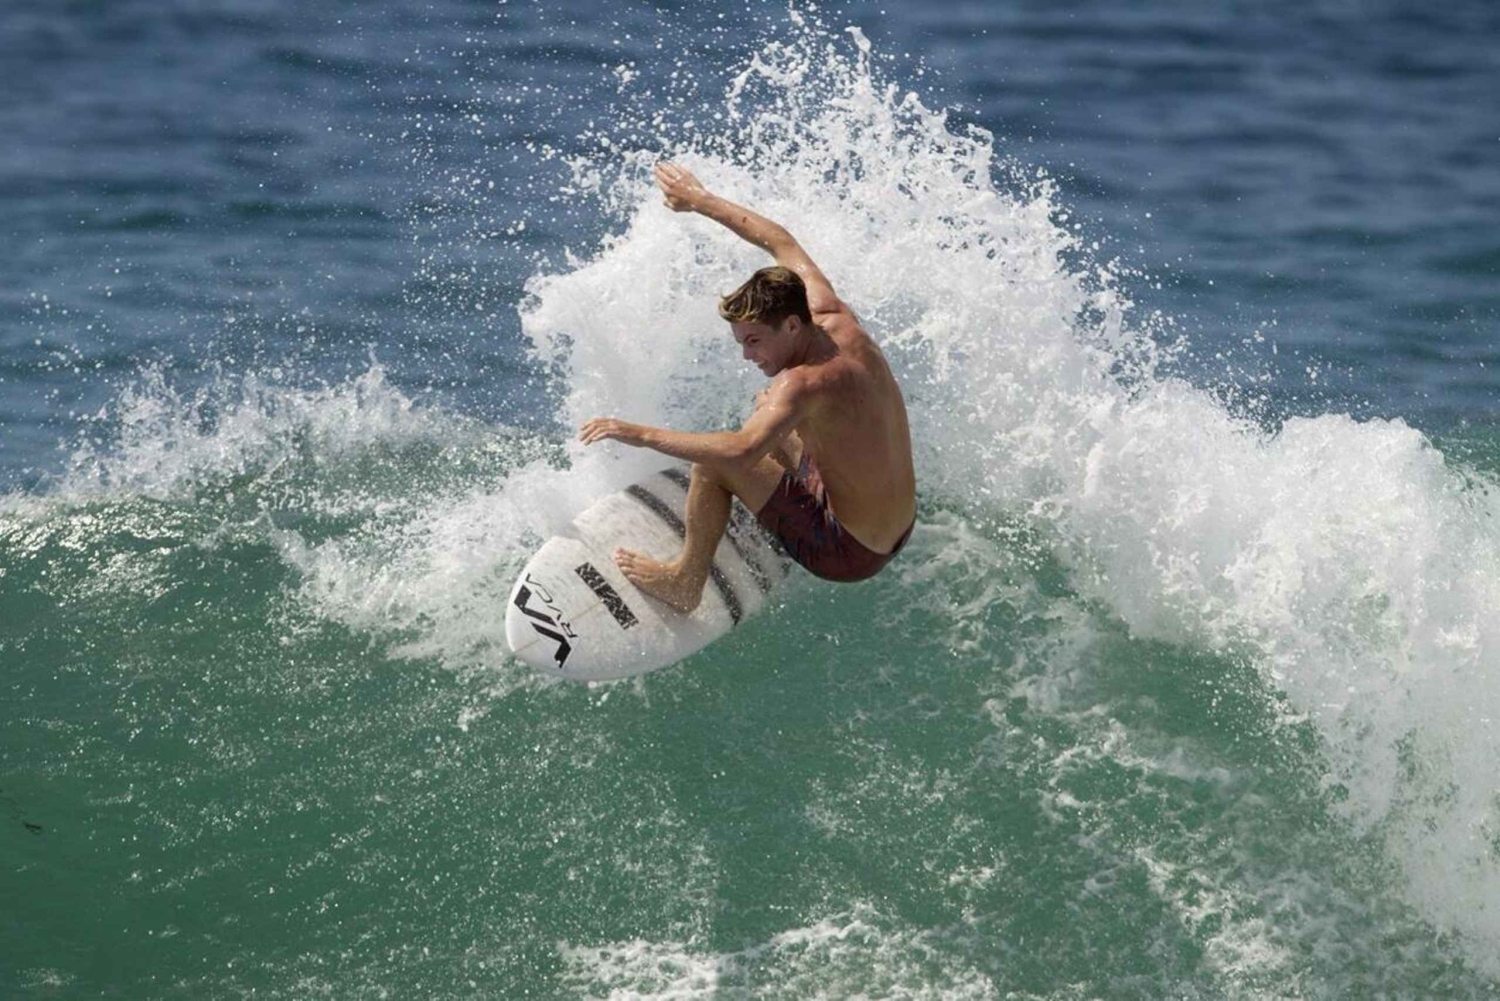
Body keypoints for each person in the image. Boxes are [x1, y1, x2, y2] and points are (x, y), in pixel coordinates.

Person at [578, 161, 916, 613]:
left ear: (791, 324)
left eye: (754, 341)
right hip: (899, 527)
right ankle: (770, 502)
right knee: (766, 404)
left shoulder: (803, 382)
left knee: (714, 462)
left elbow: (739, 451)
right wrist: (699, 200)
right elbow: (780, 241)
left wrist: (636, 433)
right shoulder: (832, 315)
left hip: (848, 553)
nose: (747, 355)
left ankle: (684, 581)